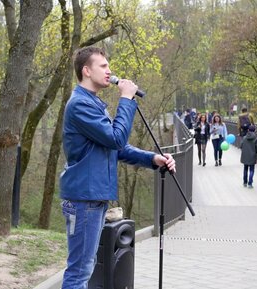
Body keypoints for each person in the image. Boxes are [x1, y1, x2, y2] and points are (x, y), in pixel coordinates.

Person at [59, 46, 176, 289]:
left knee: (85, 267)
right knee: (79, 271)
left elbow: (115, 147)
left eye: (108, 66)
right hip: (83, 198)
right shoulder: (80, 104)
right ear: (86, 71)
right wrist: (125, 99)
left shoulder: (92, 103)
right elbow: (116, 138)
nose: (109, 71)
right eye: (103, 66)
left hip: (92, 197)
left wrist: (153, 159)